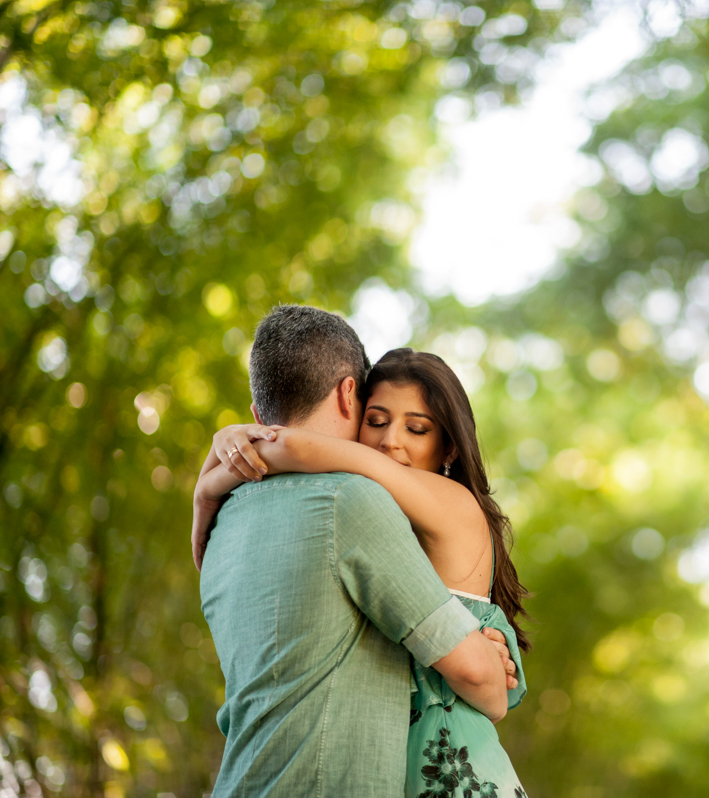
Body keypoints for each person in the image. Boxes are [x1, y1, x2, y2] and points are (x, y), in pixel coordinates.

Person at [193, 305, 516, 797]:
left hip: (446, 769)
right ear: (352, 396)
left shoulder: (225, 525)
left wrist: (210, 484)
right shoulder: (355, 503)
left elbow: (489, 689)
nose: (389, 444)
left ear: (259, 418)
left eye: (418, 428)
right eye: (377, 420)